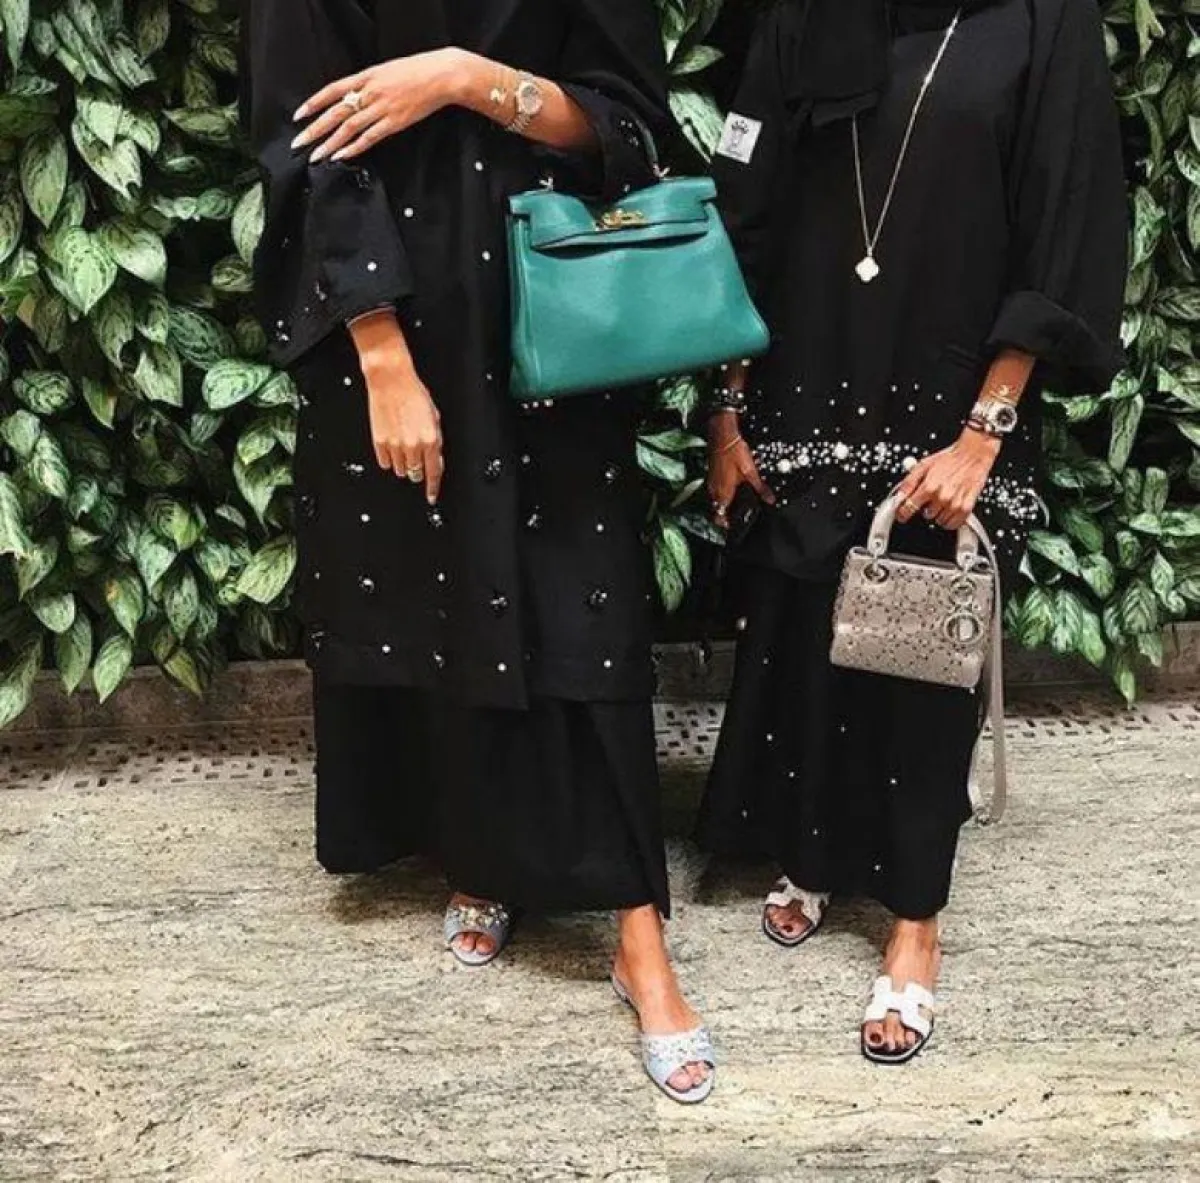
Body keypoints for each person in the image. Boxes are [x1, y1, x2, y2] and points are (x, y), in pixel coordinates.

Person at [240, 0, 714, 1102]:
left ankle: (640, 936)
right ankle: (483, 860)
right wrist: (380, 356)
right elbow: (304, 141)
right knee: (440, 593)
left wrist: (466, 77)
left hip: (552, 305)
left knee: (586, 610)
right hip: (395, 317)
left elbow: (626, 124)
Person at [699, 0, 1127, 1063]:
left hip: (952, 399)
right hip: (804, 380)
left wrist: (987, 432)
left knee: (922, 651)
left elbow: (1066, 215)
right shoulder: (802, 16)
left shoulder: (1042, 20)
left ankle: (913, 920)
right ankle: (814, 853)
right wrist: (727, 409)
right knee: (806, 625)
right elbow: (748, 213)